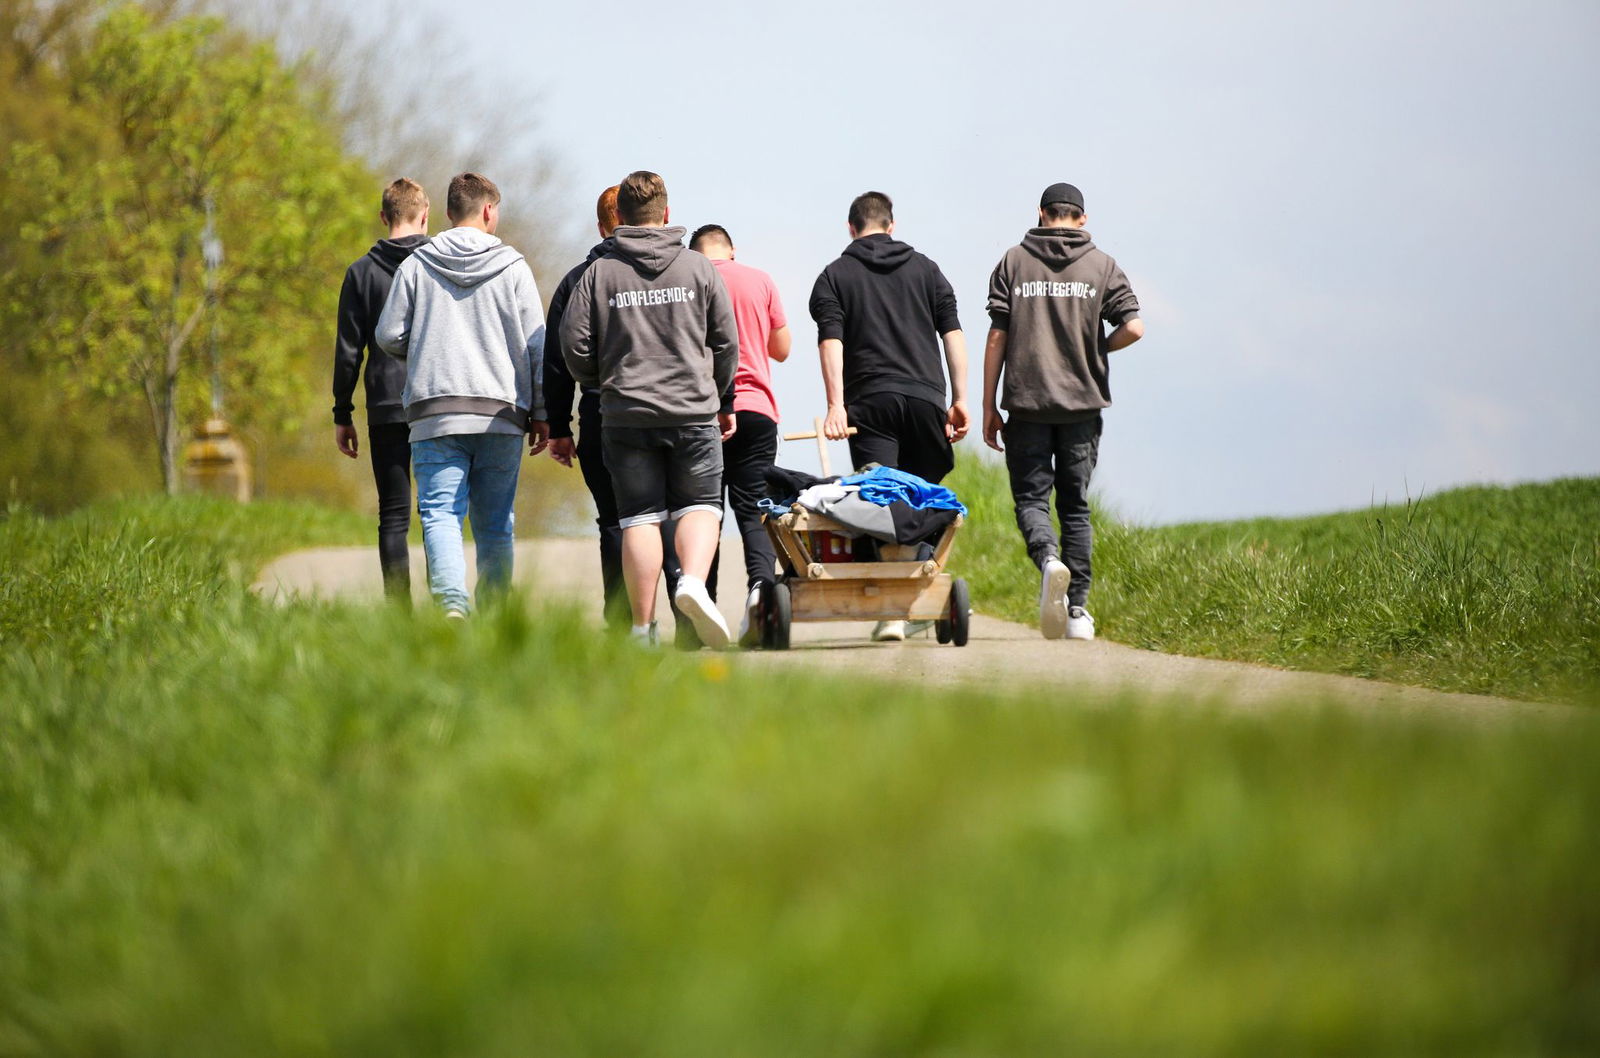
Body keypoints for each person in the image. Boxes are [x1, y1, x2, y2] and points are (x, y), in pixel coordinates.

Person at [561, 171, 739, 648]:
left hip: (625, 415)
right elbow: (727, 342)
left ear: (619, 218)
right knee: (700, 507)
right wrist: (719, 395)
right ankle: (693, 584)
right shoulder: (699, 269)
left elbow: (572, 345)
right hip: (692, 413)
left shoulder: (598, 274)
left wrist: (605, 382)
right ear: (666, 213)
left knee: (638, 517)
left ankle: (642, 629)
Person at [375, 172, 548, 616]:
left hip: (435, 412)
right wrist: (545, 412)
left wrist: (425, 342)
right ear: (489, 211)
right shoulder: (513, 266)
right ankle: (494, 613)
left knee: (440, 515)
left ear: (448, 213)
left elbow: (388, 334)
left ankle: (452, 607)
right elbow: (537, 345)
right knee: (495, 523)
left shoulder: (417, 264)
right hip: (501, 413)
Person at [981, 182, 1144, 641]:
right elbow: (1134, 327)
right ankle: (1078, 613)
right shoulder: (1102, 266)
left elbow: (998, 336)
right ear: (1082, 219)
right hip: (1082, 406)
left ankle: (1048, 559)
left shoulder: (1014, 261)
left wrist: (988, 403)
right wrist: (1099, 348)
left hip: (1027, 406)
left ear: (1041, 213)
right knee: (1074, 507)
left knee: (1032, 500)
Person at [808, 190, 969, 641]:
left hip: (871, 402)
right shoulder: (928, 270)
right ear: (892, 225)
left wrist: (836, 405)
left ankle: (895, 613)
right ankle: (911, 597)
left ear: (851, 228)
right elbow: (953, 335)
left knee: (882, 499)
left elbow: (831, 342)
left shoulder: (834, 276)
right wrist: (960, 399)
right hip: (924, 399)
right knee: (920, 501)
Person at [687, 223, 790, 646]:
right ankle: (759, 591)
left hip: (703, 413)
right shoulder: (760, 279)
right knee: (754, 511)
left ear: (695, 254)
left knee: (704, 512)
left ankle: (704, 606)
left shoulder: (690, 280)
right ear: (732, 250)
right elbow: (781, 349)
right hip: (758, 411)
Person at [331, 177, 430, 606]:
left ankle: (399, 615)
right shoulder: (437, 265)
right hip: (434, 399)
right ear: (424, 215)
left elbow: (348, 350)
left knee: (393, 513)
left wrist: (342, 412)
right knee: (437, 512)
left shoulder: (360, 273)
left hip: (385, 403)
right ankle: (450, 606)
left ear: (383, 216)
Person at [544, 186, 630, 629]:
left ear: (601, 226)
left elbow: (557, 358)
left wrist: (558, 424)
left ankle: (620, 620)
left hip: (599, 412)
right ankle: (681, 619)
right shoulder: (673, 271)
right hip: (670, 411)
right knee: (663, 516)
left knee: (613, 520)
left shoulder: (578, 279)